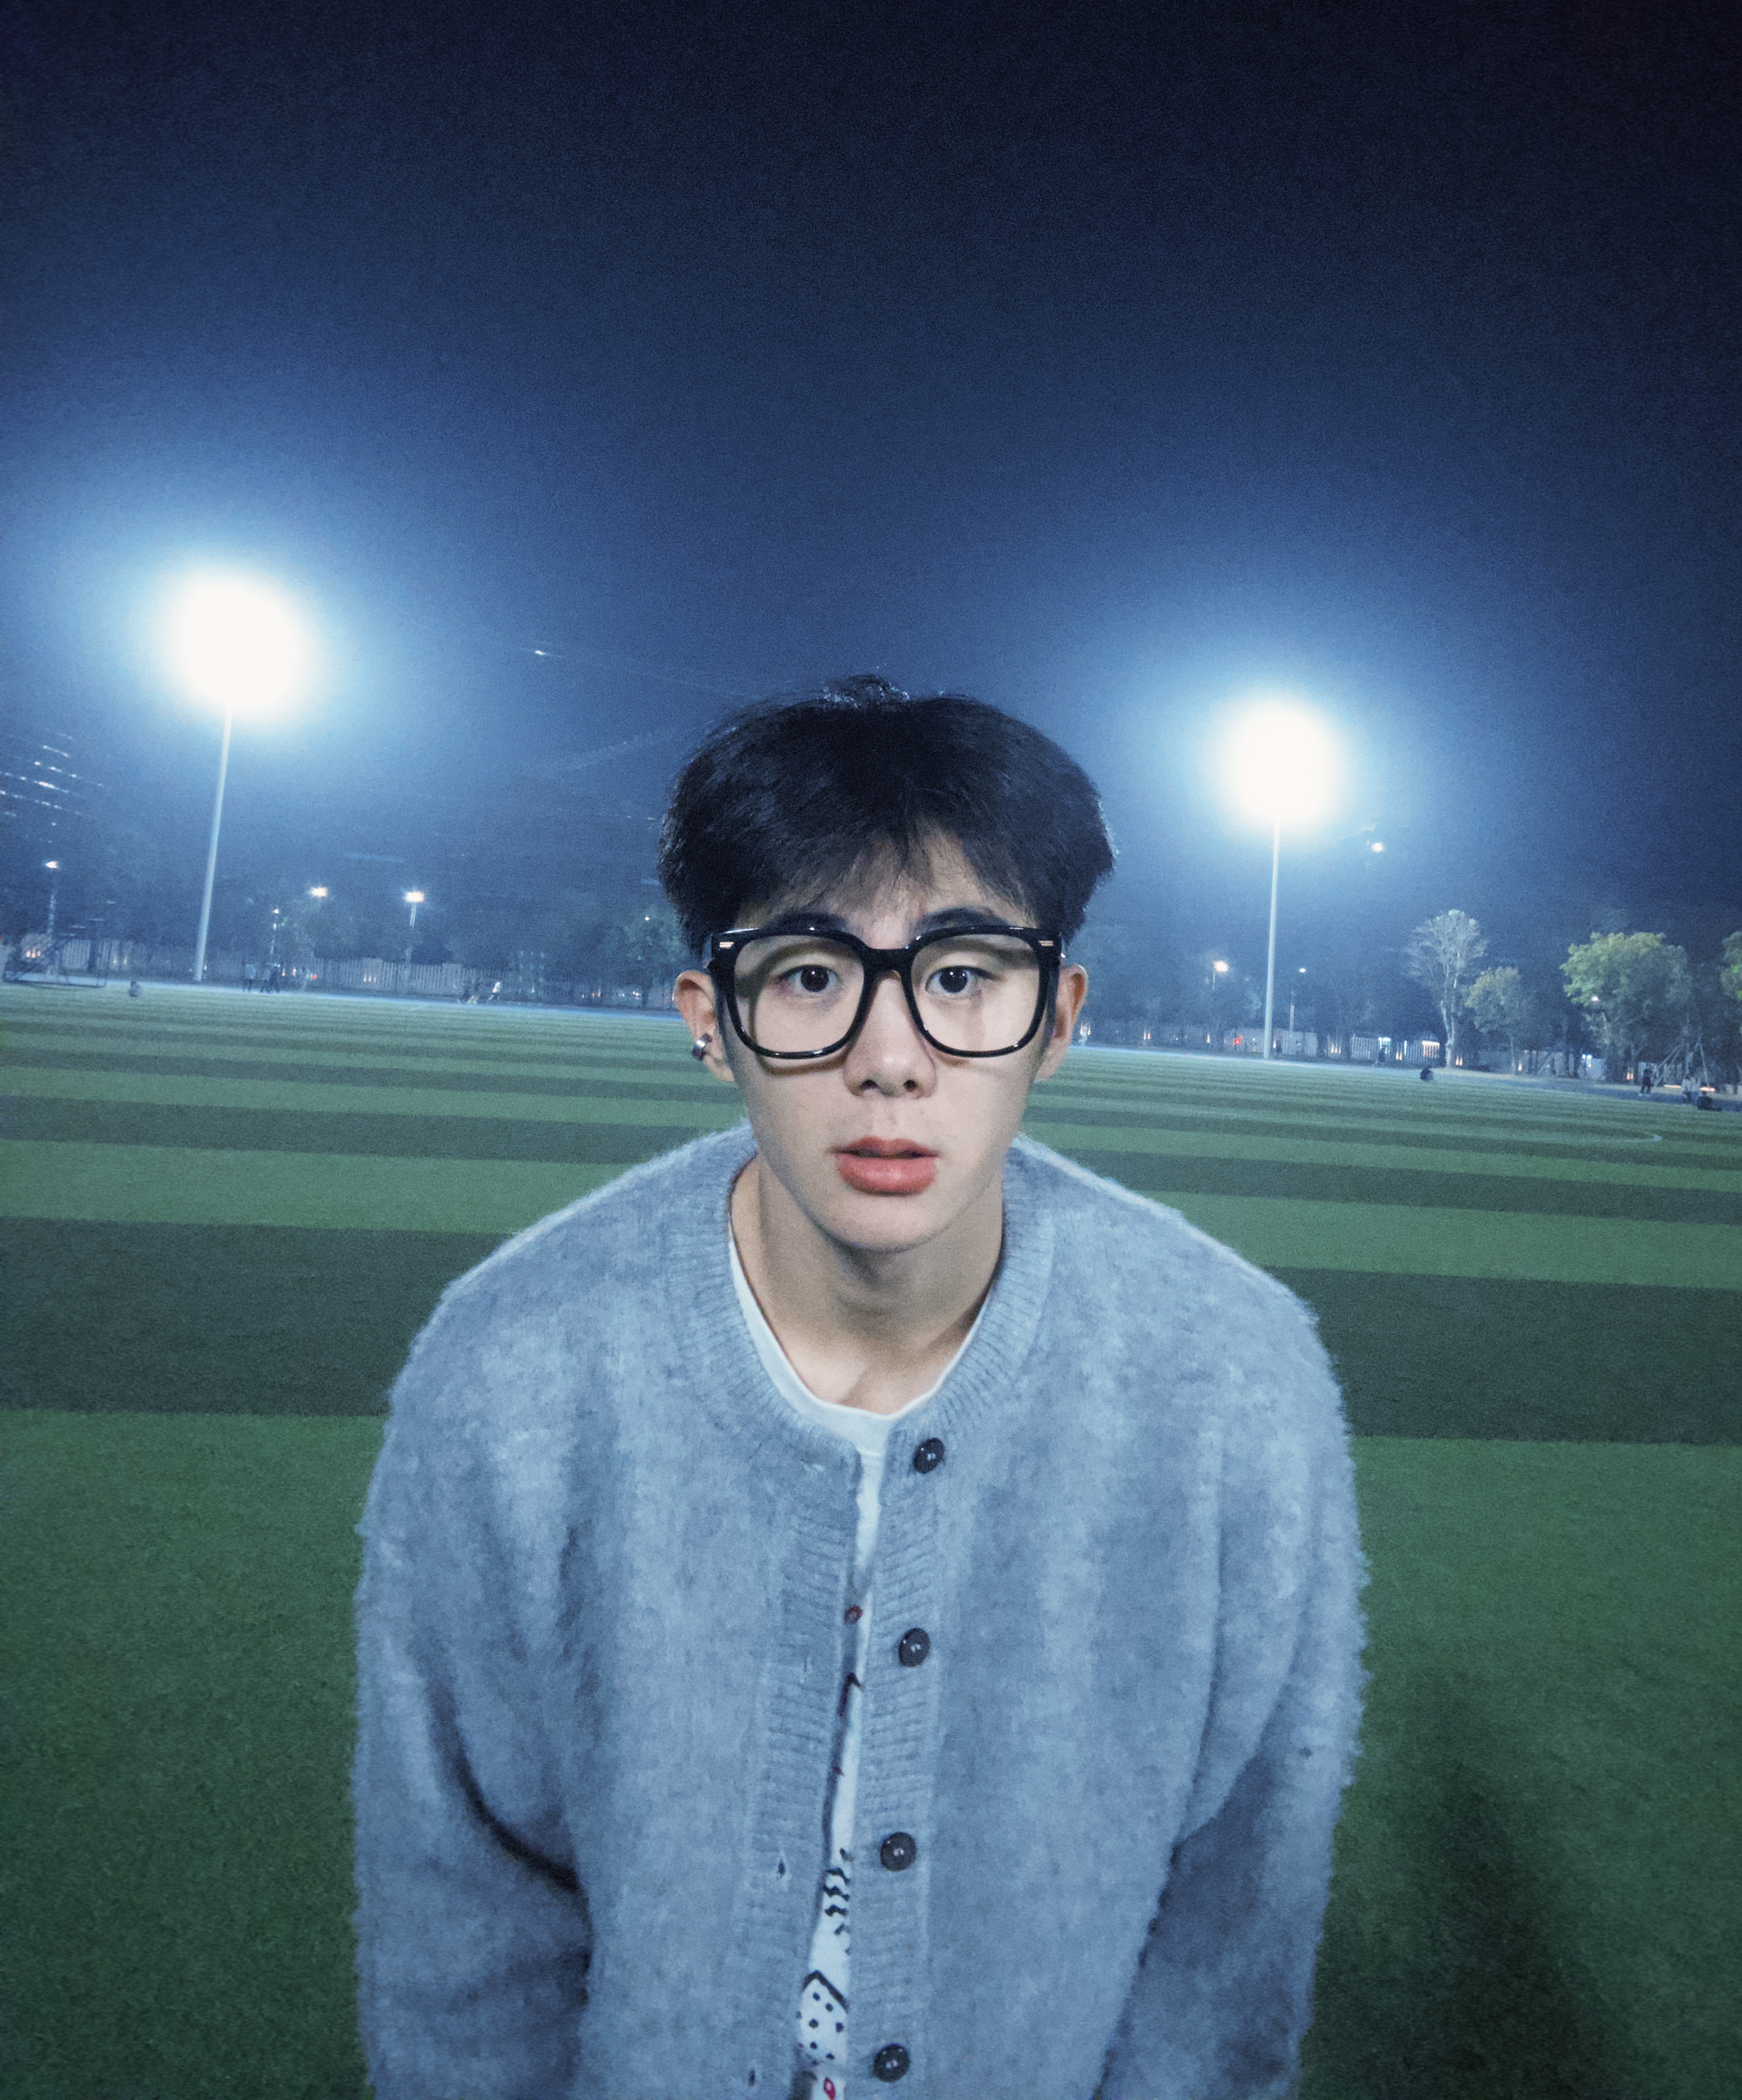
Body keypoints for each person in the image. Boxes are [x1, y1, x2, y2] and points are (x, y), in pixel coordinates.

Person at [353, 679, 1365, 2100]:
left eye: (960, 976)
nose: (889, 1060)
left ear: (1055, 1016)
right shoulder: (511, 1369)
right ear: (711, 1020)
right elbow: (463, 1911)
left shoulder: (1232, 1382)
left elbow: (1230, 1931)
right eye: (811, 976)